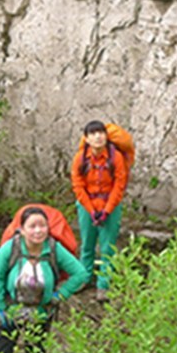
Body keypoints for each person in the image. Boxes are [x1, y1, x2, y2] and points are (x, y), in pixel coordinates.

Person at [0, 206, 89, 353]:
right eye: (32, 226)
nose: (38, 231)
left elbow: (81, 273)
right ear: (21, 229)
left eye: (42, 226)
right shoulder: (10, 249)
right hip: (11, 311)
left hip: (41, 312)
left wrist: (59, 295)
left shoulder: (54, 248)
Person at [71, 120, 129, 301]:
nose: (98, 137)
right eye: (93, 133)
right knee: (87, 244)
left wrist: (107, 210)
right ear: (86, 138)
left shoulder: (115, 157)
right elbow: (78, 186)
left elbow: (119, 185)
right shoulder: (80, 158)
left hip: (109, 206)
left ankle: (103, 285)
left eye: (101, 133)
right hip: (87, 206)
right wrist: (90, 210)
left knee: (107, 247)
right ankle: (85, 278)